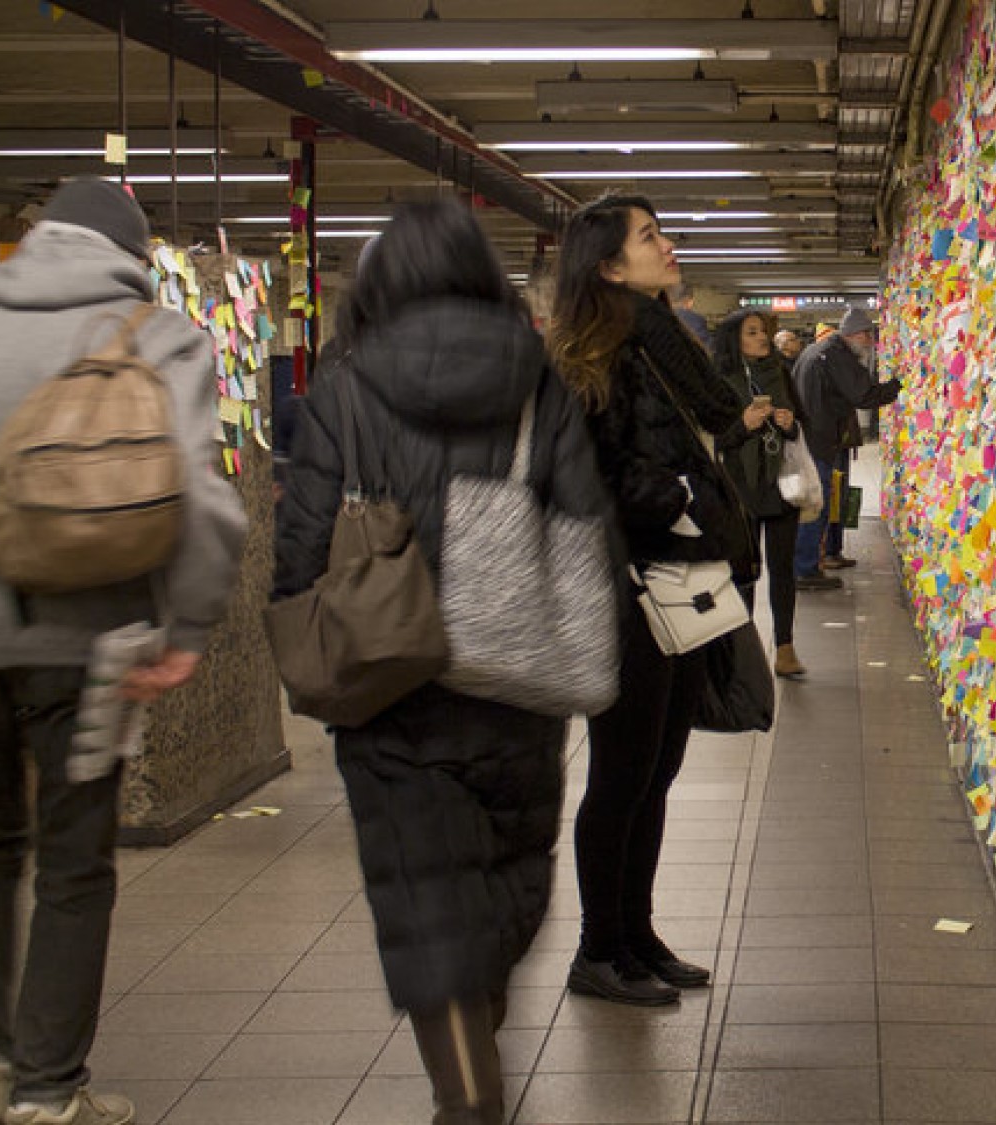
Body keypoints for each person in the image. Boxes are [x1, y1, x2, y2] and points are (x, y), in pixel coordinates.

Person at [274, 200, 608, 1125]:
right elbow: (584, 529)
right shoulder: (538, 382)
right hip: (518, 688)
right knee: (508, 883)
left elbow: (300, 551)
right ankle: (475, 1055)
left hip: (390, 691)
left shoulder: (340, 390)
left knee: (432, 902)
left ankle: (466, 1093)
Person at [0, 179, 248, 1125]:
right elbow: (205, 505)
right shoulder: (158, 333)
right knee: (74, 863)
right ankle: (48, 1088)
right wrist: (186, 632)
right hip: (93, 646)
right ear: (135, 257)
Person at [549, 195, 760, 1006]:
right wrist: (679, 497)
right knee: (621, 774)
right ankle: (597, 949)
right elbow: (593, 476)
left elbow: (702, 429)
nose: (667, 245)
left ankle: (635, 934)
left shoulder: (659, 343)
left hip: (676, 580)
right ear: (608, 265)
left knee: (657, 770)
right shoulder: (594, 356)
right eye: (648, 237)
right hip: (622, 588)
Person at [712, 310, 808, 678]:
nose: (762, 338)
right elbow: (711, 437)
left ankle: (785, 648)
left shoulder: (779, 372)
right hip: (739, 487)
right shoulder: (719, 380)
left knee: (783, 569)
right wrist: (742, 425)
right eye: (751, 332)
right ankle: (742, 653)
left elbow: (800, 422)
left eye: (763, 331)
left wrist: (789, 424)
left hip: (780, 483)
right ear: (733, 339)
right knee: (744, 571)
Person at [791, 305, 900, 592]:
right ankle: (805, 569)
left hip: (809, 437)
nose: (871, 344)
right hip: (820, 440)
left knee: (815, 502)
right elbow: (862, 394)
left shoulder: (815, 351)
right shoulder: (837, 355)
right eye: (869, 338)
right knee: (817, 504)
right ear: (857, 334)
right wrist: (897, 387)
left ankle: (815, 560)